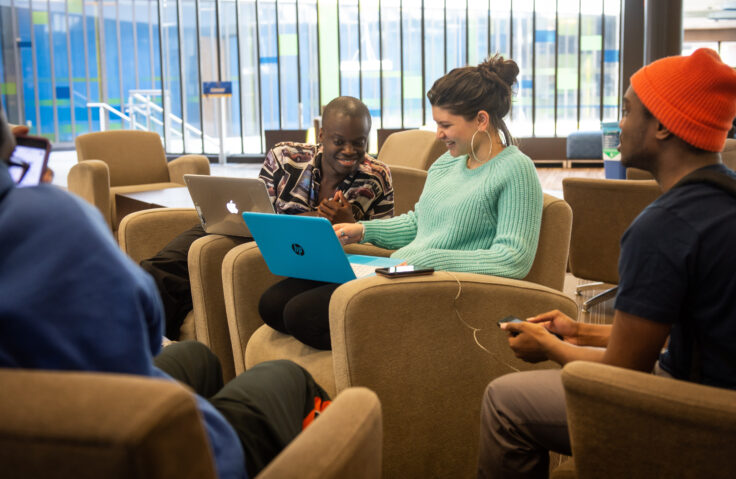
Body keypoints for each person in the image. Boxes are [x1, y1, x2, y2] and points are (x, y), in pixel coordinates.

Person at [476, 48, 736, 478]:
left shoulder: (665, 226)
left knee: (505, 402)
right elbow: (693, 330)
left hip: (712, 415)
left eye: (628, 110)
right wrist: (578, 331)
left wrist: (550, 347)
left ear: (665, 127)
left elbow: (621, 373)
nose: (619, 125)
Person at [0, 108, 331, 479]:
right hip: (134, 442)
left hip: (36, 435)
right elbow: (141, 318)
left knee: (197, 357)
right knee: (287, 377)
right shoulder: (46, 216)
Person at [263, 55, 544, 351]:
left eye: (446, 125)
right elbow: (416, 223)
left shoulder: (516, 169)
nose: (439, 135)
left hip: (431, 284)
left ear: (481, 120)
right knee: (272, 304)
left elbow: (513, 260)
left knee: (301, 314)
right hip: (400, 269)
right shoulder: (445, 165)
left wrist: (429, 261)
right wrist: (361, 231)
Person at [141, 96, 394, 340]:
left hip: (294, 256)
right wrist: (312, 218)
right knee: (159, 268)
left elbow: (384, 242)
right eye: (339, 141)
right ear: (322, 136)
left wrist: (352, 223)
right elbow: (261, 210)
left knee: (188, 275)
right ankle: (155, 348)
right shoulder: (284, 156)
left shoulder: (376, 177)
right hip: (254, 233)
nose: (349, 151)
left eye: (359, 143)